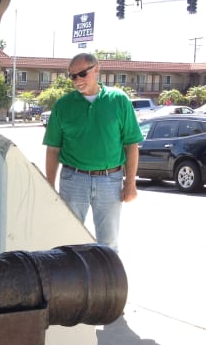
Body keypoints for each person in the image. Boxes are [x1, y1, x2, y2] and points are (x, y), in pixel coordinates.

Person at [43, 53, 142, 251]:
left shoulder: (119, 100)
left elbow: (131, 145)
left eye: (82, 74)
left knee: (108, 244)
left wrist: (130, 184)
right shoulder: (63, 106)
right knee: (68, 242)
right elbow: (53, 149)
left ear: (96, 69)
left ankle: (109, 282)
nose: (77, 80)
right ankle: (71, 282)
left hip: (110, 181)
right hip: (73, 180)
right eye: (72, 76)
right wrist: (49, 187)